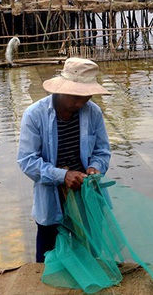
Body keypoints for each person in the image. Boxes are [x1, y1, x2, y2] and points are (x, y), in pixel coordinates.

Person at [17, 57, 112, 263]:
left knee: (89, 253)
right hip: (51, 196)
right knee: (48, 257)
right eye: (76, 96)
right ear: (61, 89)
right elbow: (27, 160)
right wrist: (63, 176)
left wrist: (95, 168)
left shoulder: (93, 112)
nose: (81, 102)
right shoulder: (34, 115)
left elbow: (102, 151)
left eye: (86, 96)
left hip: (85, 195)